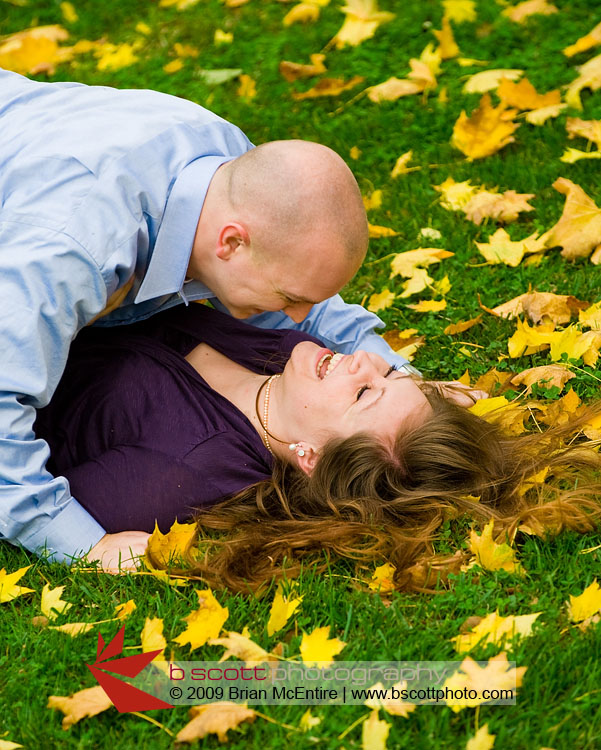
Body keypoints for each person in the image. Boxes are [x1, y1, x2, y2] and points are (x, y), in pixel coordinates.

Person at [0, 68, 419, 571]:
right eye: (288, 296)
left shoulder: (223, 166)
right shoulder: (70, 251)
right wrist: (79, 542)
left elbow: (311, 303)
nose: (300, 319)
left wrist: (406, 382)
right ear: (231, 242)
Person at [33, 303, 601, 592]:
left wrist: (82, 545)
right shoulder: (296, 374)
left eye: (363, 392)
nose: (368, 361)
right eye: (391, 377)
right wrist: (413, 395)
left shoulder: (183, 470)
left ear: (308, 456)